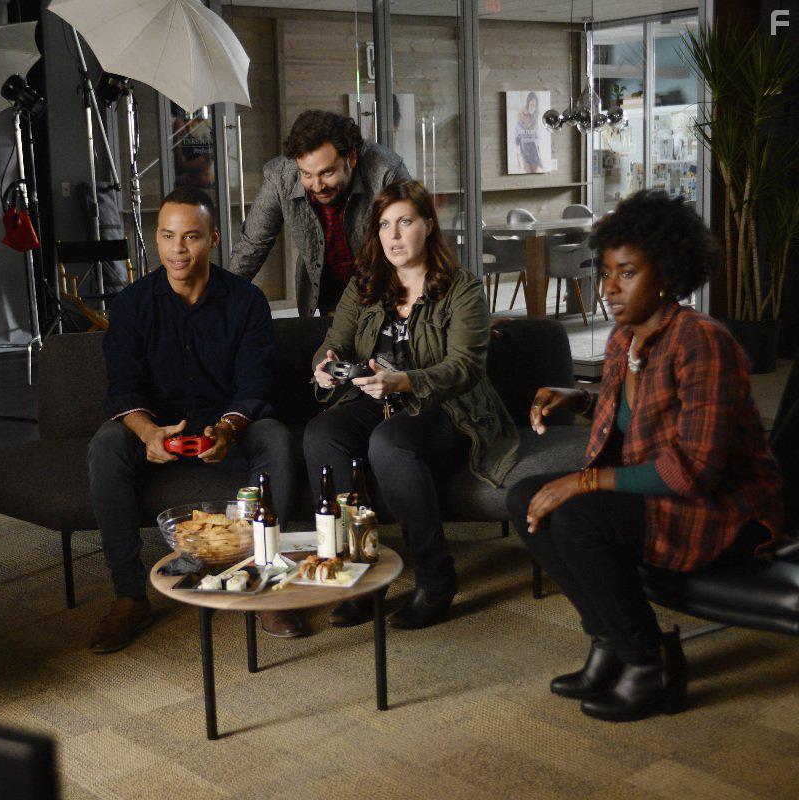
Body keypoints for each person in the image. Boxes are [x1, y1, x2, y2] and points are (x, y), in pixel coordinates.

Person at [507, 190, 784, 722]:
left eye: (626, 272)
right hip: (665, 495)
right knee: (526, 497)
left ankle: (649, 663)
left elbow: (693, 470)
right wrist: (580, 399)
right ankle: (608, 640)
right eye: (606, 272)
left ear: (667, 274)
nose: (609, 288)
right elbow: (641, 419)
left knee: (577, 514)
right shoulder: (626, 338)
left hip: (726, 514)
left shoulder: (703, 342)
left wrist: (584, 484)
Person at [87, 187, 300, 654]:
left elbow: (255, 387)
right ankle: (129, 596)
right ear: (156, 239)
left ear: (214, 239)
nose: (178, 249)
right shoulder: (131, 305)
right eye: (167, 236)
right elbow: (122, 388)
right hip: (156, 427)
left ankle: (265, 580)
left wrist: (226, 429)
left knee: (278, 438)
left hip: (228, 428)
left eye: (191, 237)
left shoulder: (246, 301)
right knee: (106, 445)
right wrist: (146, 433)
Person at [305, 180, 519, 629]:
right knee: (322, 434)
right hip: (375, 398)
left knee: (391, 443)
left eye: (405, 222)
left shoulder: (462, 288)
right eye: (384, 225)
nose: (393, 236)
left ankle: (435, 578)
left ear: (428, 226)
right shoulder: (364, 285)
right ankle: (357, 573)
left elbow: (465, 367)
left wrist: (405, 380)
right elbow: (334, 343)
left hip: (449, 409)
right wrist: (324, 366)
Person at [229, 109, 410, 317]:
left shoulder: (387, 171)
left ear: (351, 157)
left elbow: (413, 246)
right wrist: (219, 303)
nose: (317, 186)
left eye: (327, 173)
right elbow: (252, 246)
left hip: (387, 296)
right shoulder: (281, 177)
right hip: (330, 300)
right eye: (306, 174)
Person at [514, 91, 543, 174]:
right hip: (525, 153)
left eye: (535, 106)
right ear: (528, 103)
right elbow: (517, 137)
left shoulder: (535, 118)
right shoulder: (520, 116)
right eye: (531, 104)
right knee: (527, 173)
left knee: (534, 174)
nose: (533, 107)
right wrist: (518, 155)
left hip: (534, 153)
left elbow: (537, 138)